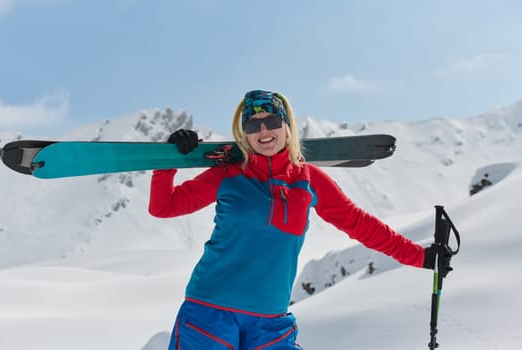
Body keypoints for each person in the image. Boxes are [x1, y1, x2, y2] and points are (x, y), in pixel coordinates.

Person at [149, 90, 451, 349]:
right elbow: (164, 207)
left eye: (272, 121)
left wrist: (421, 257)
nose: (263, 129)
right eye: (252, 124)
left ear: (287, 126)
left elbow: (361, 224)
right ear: (243, 133)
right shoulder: (227, 175)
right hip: (209, 314)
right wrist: (167, 162)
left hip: (270, 322)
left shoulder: (309, 181)